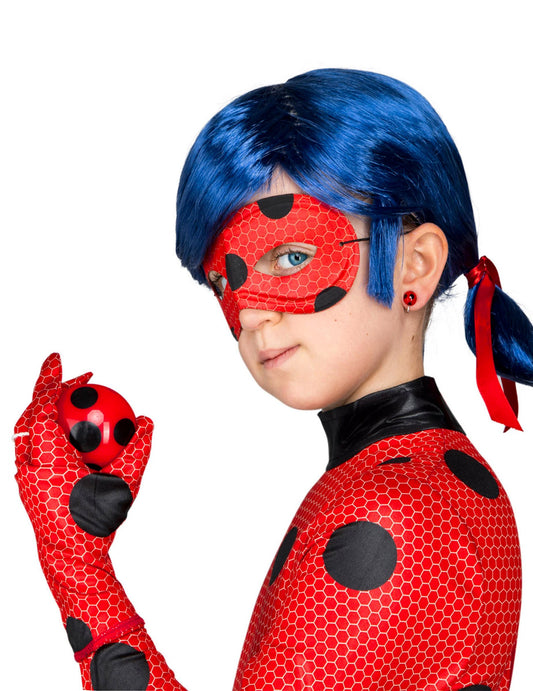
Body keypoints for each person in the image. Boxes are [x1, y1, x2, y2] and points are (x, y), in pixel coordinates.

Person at [15, 69, 533, 690]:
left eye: (290, 257)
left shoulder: (391, 510)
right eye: (223, 280)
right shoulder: (435, 482)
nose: (251, 312)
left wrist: (75, 563)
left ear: (413, 264)